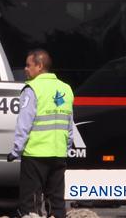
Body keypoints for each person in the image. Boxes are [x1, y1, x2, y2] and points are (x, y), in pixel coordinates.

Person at [7, 49, 74, 218]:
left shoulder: (32, 89)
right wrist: (66, 147)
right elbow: (69, 123)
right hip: (58, 154)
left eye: (29, 65)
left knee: (31, 204)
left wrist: (16, 150)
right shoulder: (66, 89)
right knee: (56, 202)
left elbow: (24, 123)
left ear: (40, 66)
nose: (25, 69)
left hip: (35, 155)